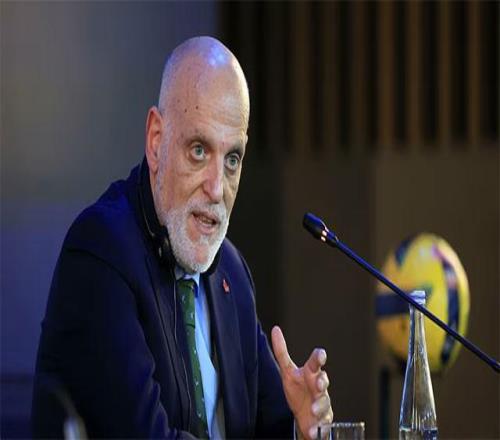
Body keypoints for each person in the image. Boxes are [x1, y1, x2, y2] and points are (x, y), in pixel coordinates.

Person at [32, 36, 333, 439]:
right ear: (156, 141)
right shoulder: (101, 254)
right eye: (198, 151)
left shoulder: (231, 272)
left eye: (232, 159)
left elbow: (270, 426)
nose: (217, 187)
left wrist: (301, 428)